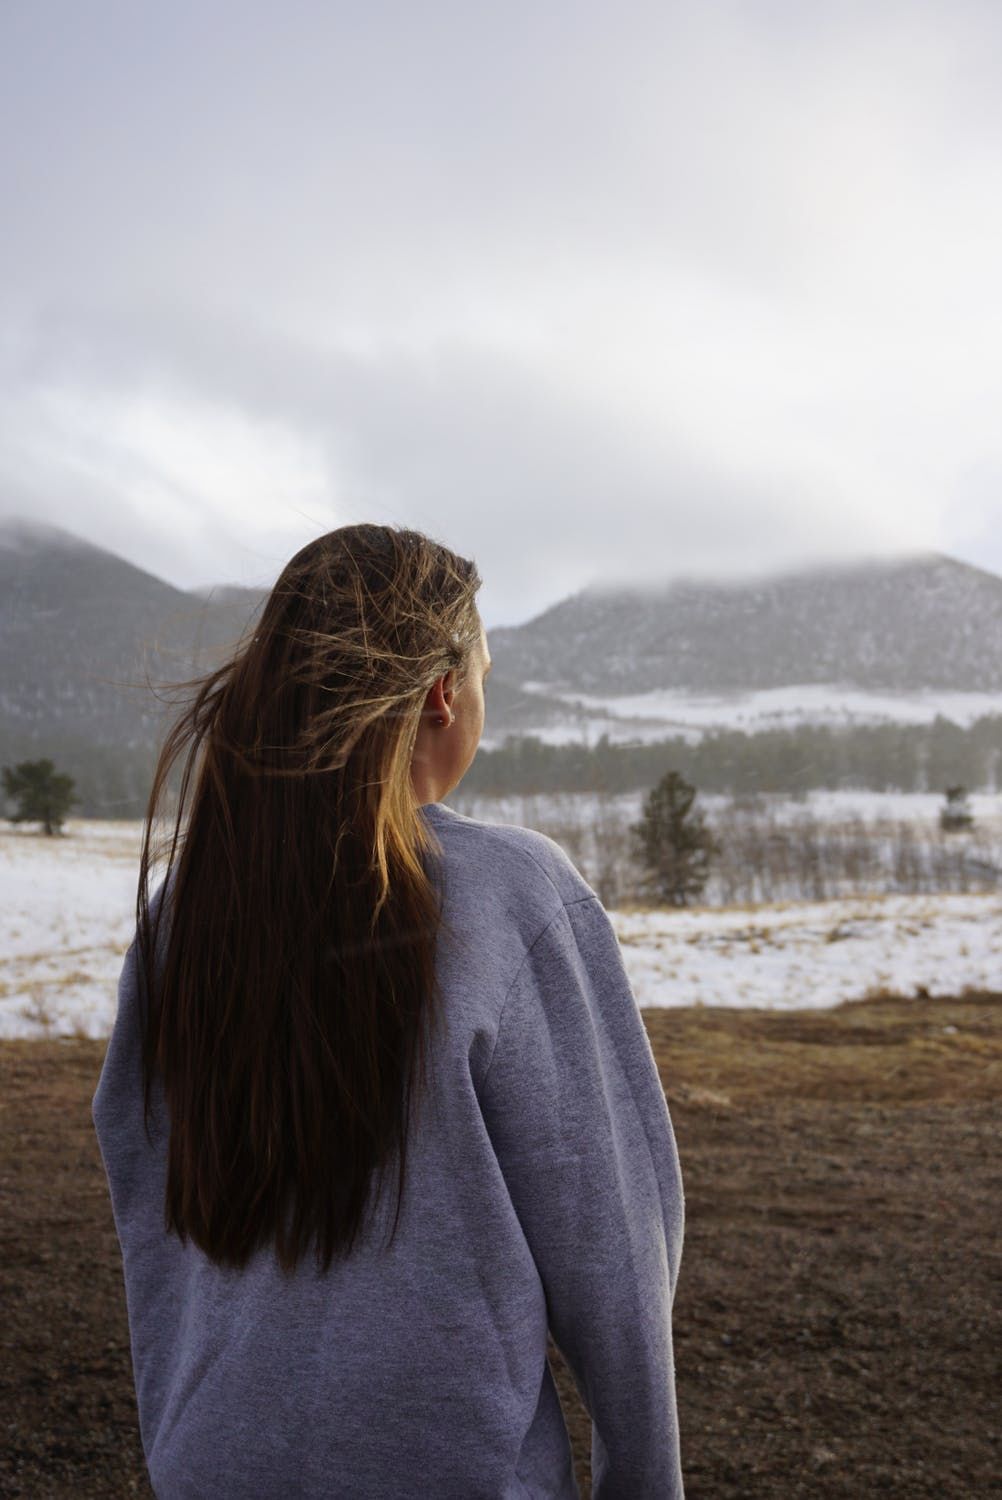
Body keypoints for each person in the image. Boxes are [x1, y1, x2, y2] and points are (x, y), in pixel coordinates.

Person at [92, 523, 686, 1499]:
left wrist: (190, 1430)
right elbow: (613, 1256)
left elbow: (147, 1206)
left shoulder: (181, 917)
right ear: (444, 692)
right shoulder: (512, 896)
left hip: (212, 1472)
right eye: (484, 671)